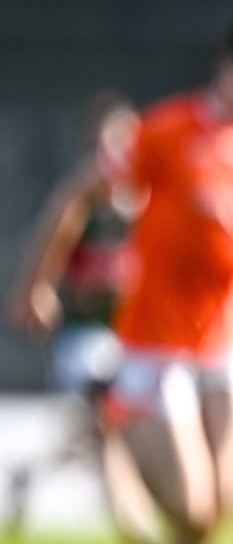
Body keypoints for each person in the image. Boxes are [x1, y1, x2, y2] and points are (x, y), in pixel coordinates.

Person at [8, 0, 233, 543]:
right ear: (230, 66)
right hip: (156, 343)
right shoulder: (166, 131)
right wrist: (34, 284)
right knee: (194, 506)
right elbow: (76, 195)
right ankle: (116, 427)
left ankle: (123, 462)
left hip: (230, 338)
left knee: (220, 507)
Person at [6, 90, 159, 542]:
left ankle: (30, 474)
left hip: (133, 343)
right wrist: (40, 290)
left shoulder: (148, 207)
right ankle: (135, 523)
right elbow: (44, 253)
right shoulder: (79, 208)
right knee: (108, 422)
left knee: (98, 433)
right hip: (84, 340)